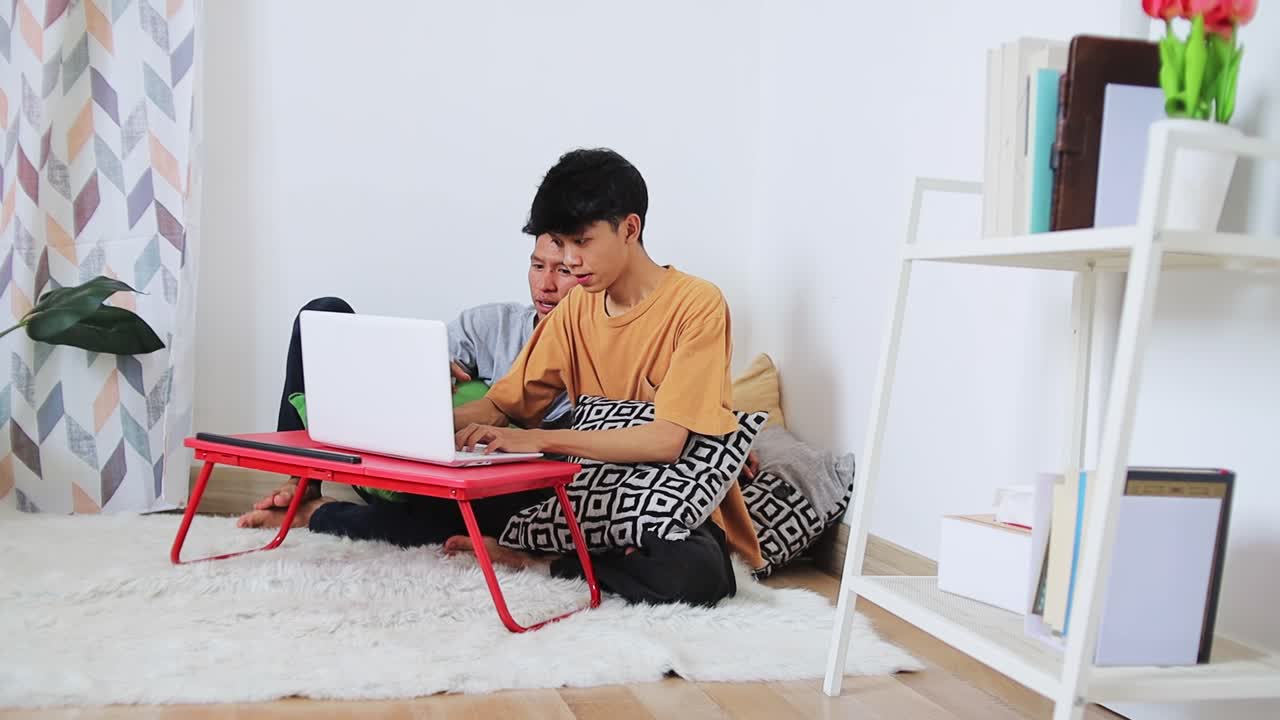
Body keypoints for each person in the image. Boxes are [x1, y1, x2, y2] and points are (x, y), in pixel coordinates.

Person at [444, 148, 766, 606]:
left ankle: (548, 563)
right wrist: (433, 423)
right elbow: (503, 403)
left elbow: (665, 442)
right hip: (586, 494)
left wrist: (540, 440)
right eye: (559, 243)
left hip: (665, 504)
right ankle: (564, 552)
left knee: (697, 572)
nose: (570, 260)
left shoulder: (697, 304)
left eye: (581, 242)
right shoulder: (578, 307)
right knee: (444, 500)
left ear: (629, 229)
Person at [235, 233, 579, 530]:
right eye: (537, 266)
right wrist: (432, 374)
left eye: (562, 271)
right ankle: (301, 481)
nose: (545, 284)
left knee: (464, 524)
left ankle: (316, 515)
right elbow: (423, 365)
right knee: (322, 310)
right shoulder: (492, 323)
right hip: (404, 464)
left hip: (485, 492)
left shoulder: (594, 347)